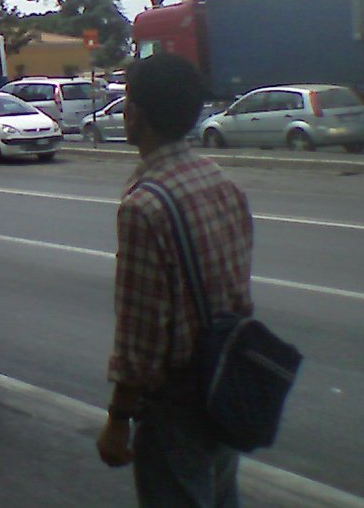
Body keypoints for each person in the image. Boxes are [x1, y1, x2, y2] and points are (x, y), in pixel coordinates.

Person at [96, 53, 253, 506]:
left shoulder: (144, 206)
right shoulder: (221, 182)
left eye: (126, 102)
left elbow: (140, 336)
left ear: (138, 114)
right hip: (225, 379)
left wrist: (118, 420)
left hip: (178, 402)